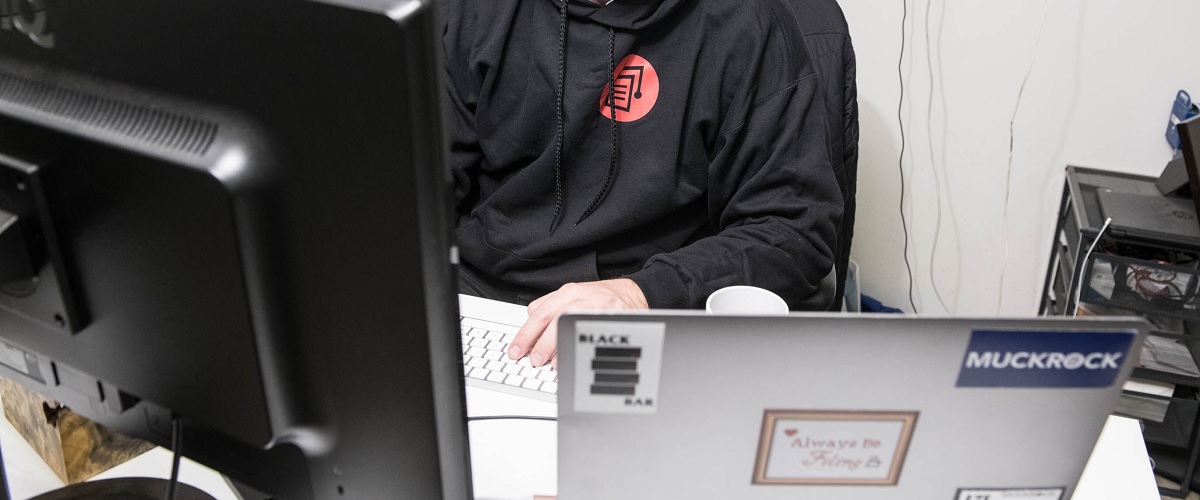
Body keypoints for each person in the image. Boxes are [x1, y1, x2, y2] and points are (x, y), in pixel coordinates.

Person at [440, 0, 843, 369]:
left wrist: (640, 294)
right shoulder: (473, 10)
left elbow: (794, 228)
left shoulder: (747, 22)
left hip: (646, 312)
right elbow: (416, 188)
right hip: (484, 301)